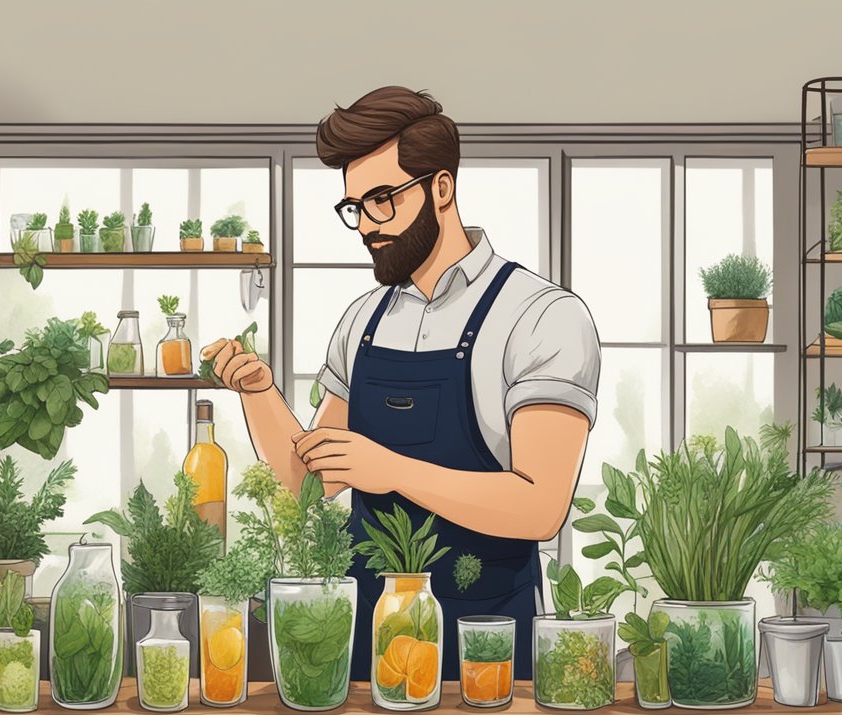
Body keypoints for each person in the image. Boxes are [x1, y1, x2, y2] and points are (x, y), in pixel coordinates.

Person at [201, 86, 601, 682]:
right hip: (366, 638)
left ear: (442, 187)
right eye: (354, 207)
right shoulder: (361, 320)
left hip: (485, 642)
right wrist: (259, 391)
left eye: (382, 200)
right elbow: (306, 483)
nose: (365, 224)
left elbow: (542, 507)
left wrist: (388, 470)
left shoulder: (541, 314)